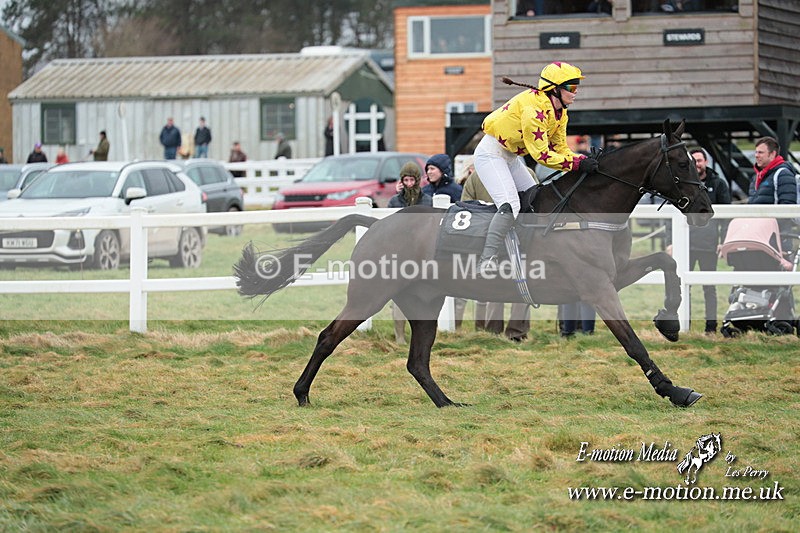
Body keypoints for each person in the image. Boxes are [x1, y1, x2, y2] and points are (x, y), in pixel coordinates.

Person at [475, 61, 594, 273]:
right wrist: (577, 164)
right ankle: (487, 259)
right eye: (572, 88)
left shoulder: (560, 112)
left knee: (536, 198)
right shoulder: (534, 110)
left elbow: (561, 149)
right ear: (555, 89)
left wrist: (581, 159)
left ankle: (525, 250)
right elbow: (541, 155)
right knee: (511, 205)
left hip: (510, 156)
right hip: (491, 154)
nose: (576, 93)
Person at [459, 168, 531, 341]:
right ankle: (516, 332)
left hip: (489, 237)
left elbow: (466, 205)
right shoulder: (525, 173)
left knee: (494, 284)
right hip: (519, 235)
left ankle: (492, 330)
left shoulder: (478, 176)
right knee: (522, 284)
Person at [557, 135, 597, 337]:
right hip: (570, 245)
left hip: (584, 246)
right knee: (571, 290)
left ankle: (582, 330)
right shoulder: (565, 189)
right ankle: (569, 330)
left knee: (583, 289)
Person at [389, 161, 433, 343]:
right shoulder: (394, 202)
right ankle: (399, 336)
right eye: (405, 180)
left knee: (424, 296)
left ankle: (422, 337)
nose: (408, 184)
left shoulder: (427, 200)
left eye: (411, 180)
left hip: (423, 255)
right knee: (398, 295)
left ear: (418, 181)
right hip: (401, 254)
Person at [748, 136, 797, 250]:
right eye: (756, 152)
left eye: (760, 152)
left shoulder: (783, 174)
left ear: (772, 154)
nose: (756, 155)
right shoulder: (756, 177)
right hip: (758, 237)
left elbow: (787, 208)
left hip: (778, 240)